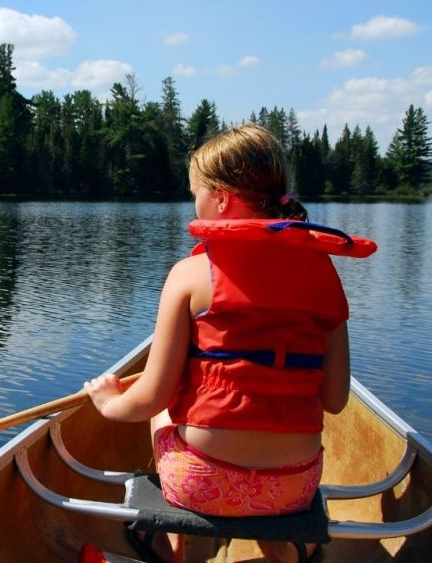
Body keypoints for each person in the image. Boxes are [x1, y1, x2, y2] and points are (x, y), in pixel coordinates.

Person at [84, 124, 376, 563]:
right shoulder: (326, 273)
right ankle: (282, 549)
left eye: (195, 192)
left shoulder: (189, 275)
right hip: (292, 489)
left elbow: (151, 397)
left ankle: (177, 542)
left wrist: (107, 403)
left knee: (167, 406)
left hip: (201, 484)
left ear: (220, 198)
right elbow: (334, 400)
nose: (194, 203)